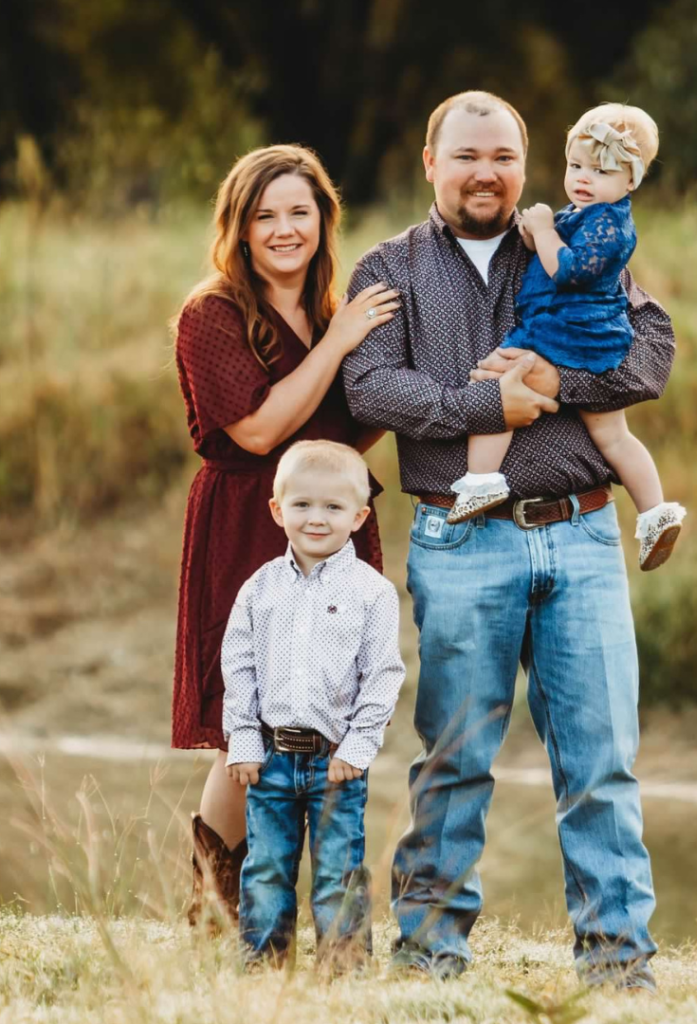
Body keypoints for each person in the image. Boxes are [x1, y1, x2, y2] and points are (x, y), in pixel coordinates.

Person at [342, 91, 674, 992]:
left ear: (525, 164)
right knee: (454, 757)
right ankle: (429, 954)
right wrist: (485, 405)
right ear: (429, 162)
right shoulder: (390, 269)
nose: (485, 171)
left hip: (582, 533)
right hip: (460, 536)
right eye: (466, 155)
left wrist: (557, 382)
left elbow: (652, 351)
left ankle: (617, 965)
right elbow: (368, 386)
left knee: (602, 761)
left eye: (502, 155)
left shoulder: (581, 236)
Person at [171, 144, 399, 928]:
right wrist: (338, 346)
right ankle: (214, 912)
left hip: (336, 533)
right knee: (250, 723)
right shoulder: (213, 315)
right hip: (249, 525)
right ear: (237, 227)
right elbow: (263, 428)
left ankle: (317, 919)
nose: (283, 229)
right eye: (264, 215)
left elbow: (345, 430)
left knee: (325, 718)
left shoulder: (336, 310)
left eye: (299, 211)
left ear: (323, 219)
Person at [447, 104, 685, 572]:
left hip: (565, 331)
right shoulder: (585, 214)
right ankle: (654, 512)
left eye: (601, 170)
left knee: (495, 384)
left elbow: (568, 270)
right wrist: (539, 231)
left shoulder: (612, 227)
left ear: (631, 181)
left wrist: (541, 230)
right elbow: (549, 249)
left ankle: (481, 480)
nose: (583, 177)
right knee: (613, 437)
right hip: (581, 333)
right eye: (576, 165)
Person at [222, 440, 406, 969]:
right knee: (266, 868)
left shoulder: (371, 592)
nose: (317, 519)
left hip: (336, 763)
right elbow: (239, 668)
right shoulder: (260, 589)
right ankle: (263, 967)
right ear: (278, 511)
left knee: (338, 873)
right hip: (273, 759)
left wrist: (360, 744)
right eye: (302, 505)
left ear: (359, 515)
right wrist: (243, 739)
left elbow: (382, 675)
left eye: (333, 507)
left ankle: (343, 968)